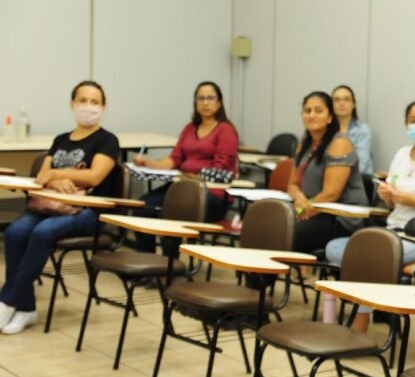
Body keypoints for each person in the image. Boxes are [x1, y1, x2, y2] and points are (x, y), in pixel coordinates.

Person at [0, 80, 119, 334]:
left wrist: (56, 173)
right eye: (83, 101)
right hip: (49, 205)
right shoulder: (61, 139)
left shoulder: (107, 140)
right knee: (15, 233)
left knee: (42, 233)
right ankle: (26, 308)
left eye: (95, 102)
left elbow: (95, 177)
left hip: (88, 212)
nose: (88, 107)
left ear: (104, 107)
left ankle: (8, 300)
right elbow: (42, 175)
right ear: (72, 104)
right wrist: (58, 176)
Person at [326, 98, 415, 266]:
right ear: (406, 126)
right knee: (334, 248)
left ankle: (400, 267)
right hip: (393, 232)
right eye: (413, 121)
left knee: (366, 256)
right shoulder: (401, 155)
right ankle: (411, 269)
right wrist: (387, 197)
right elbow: (392, 208)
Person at [132, 81, 238, 253]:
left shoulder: (226, 131)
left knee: (170, 211)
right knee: (142, 207)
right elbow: (174, 159)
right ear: (195, 103)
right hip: (182, 186)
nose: (205, 103)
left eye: (210, 98)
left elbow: (220, 170)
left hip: (212, 194)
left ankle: (170, 266)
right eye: (201, 98)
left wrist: (191, 177)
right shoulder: (189, 128)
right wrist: (149, 163)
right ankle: (148, 262)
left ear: (219, 102)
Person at [289, 91, 368, 254]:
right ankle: (259, 278)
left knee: (284, 232)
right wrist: (299, 197)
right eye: (307, 110)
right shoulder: (304, 144)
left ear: (330, 117)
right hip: (311, 211)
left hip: (340, 217)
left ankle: (262, 278)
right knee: (267, 225)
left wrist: (303, 210)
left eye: (318, 111)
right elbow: (292, 183)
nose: (311, 115)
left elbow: (331, 194)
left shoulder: (339, 143)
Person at [331, 85, 374, 174]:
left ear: (353, 104)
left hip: (357, 180)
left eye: (346, 99)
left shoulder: (362, 130)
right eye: (337, 100)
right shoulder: (324, 130)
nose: (341, 103)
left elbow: (361, 166)